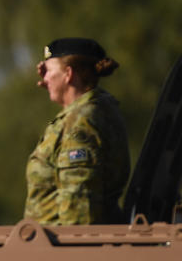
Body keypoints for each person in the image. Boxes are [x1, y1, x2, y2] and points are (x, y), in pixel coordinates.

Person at [24, 37, 130, 224]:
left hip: (62, 248)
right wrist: (61, 91)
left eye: (48, 72)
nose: (44, 77)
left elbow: (79, 211)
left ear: (68, 74)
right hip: (50, 246)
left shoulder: (80, 125)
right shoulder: (92, 110)